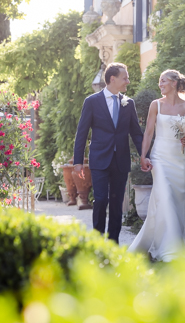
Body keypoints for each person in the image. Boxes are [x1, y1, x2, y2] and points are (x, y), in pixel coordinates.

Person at [128, 69, 185, 261]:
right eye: (160, 81)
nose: (160, 84)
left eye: (163, 81)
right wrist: (144, 155)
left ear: (174, 83)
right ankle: (169, 250)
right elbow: (148, 133)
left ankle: (170, 242)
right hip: (159, 158)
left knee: (177, 198)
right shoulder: (155, 105)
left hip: (179, 160)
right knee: (165, 196)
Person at [73, 63, 144, 243]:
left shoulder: (129, 104)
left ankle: (113, 243)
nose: (128, 81)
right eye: (125, 78)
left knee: (116, 203)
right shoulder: (92, 101)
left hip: (120, 160)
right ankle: (97, 242)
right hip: (99, 159)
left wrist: (145, 155)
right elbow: (82, 132)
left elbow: (136, 132)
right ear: (112, 79)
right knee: (100, 199)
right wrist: (78, 161)